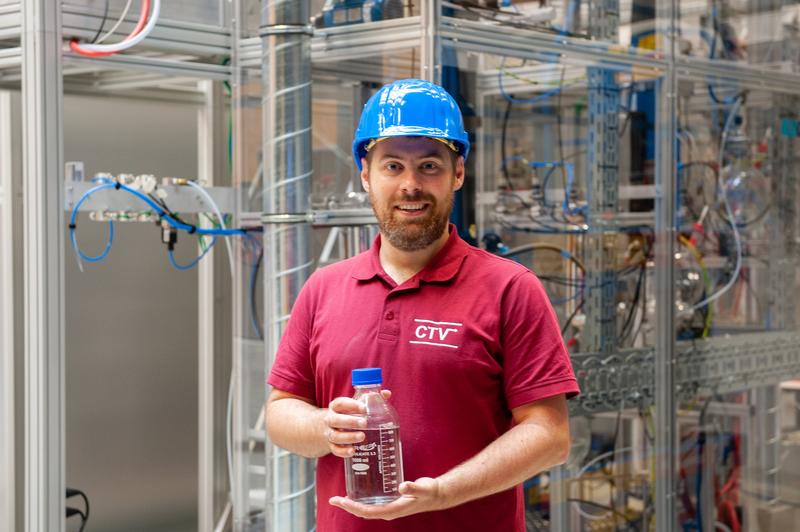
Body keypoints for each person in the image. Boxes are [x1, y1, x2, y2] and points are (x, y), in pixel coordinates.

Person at [266, 78, 579, 532]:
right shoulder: (323, 288)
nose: (411, 185)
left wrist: (444, 492)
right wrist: (323, 428)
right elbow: (280, 411)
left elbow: (550, 435)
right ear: (365, 175)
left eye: (429, 166)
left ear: (458, 173)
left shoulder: (510, 288)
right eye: (392, 166)